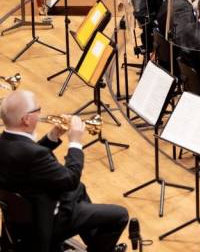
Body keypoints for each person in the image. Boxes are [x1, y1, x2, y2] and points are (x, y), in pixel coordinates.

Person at [0, 90, 129, 252]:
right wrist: (75, 142)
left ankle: (96, 243)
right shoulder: (35, 155)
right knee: (120, 215)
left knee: (79, 188)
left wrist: (52, 136)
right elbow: (70, 178)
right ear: (26, 119)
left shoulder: (5, 142)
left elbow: (25, 156)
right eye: (37, 110)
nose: (40, 113)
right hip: (48, 221)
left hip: (23, 218)